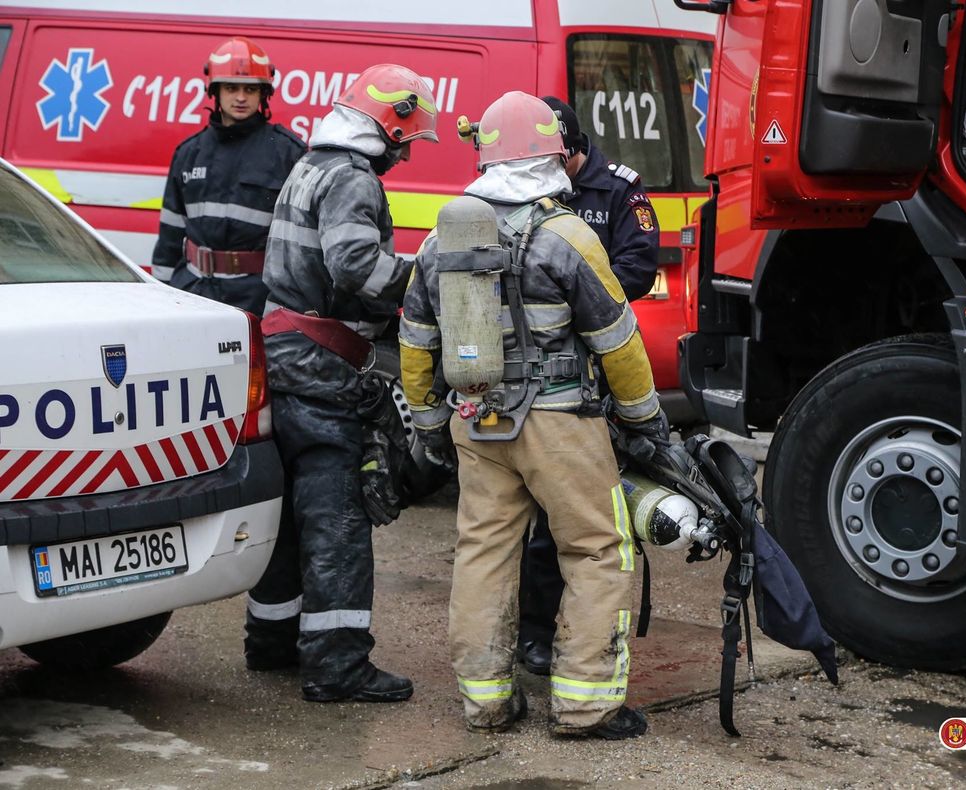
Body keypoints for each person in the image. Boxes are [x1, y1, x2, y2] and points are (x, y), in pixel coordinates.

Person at [400, 90, 666, 739]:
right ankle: (583, 704)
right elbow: (618, 342)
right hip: (559, 423)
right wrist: (645, 422)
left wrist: (432, 424)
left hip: (477, 419)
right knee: (598, 548)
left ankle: (486, 702)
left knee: (484, 553)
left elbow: (413, 339)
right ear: (551, 154)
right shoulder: (567, 235)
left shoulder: (443, 237)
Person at [243, 64, 438, 703]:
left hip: (286, 358)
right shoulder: (352, 178)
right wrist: (426, 283)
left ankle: (272, 642)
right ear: (389, 126)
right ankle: (337, 665)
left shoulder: (310, 164)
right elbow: (354, 265)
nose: (406, 154)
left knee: (291, 518)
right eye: (407, 140)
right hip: (322, 369)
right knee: (337, 518)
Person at [517, 96, 660, 676]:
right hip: (535, 374)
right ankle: (532, 634)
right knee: (534, 522)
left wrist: (574, 295)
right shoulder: (527, 184)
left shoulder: (620, 191)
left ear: (574, 149)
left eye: (560, 158)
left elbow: (639, 267)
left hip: (596, 376)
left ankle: (574, 642)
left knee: (585, 518)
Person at [150, 36, 305, 316]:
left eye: (250, 89)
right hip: (191, 294)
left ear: (264, 94)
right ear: (215, 92)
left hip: (258, 300)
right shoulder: (189, 152)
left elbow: (301, 242)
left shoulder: (288, 152)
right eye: (232, 88)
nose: (241, 97)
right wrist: (159, 297)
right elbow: (169, 236)